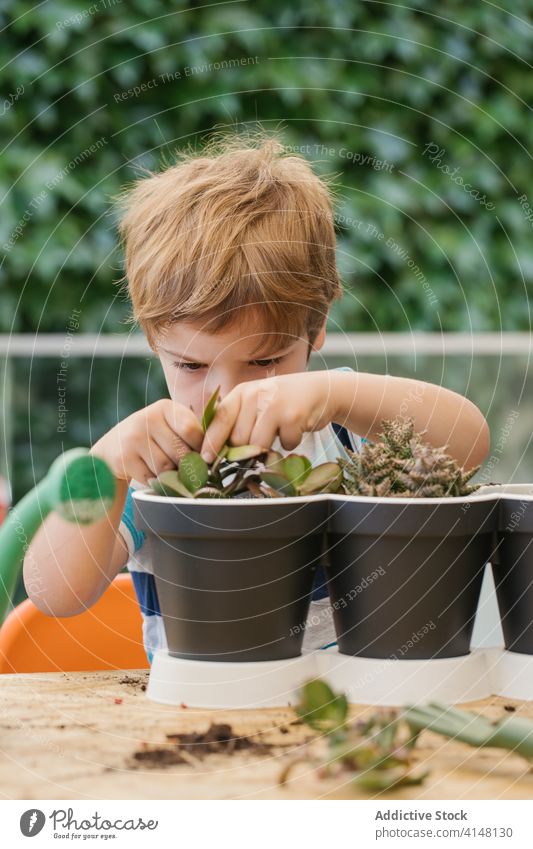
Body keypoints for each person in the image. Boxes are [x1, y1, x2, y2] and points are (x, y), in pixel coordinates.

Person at [23, 133, 490, 662]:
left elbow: (468, 443)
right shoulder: (158, 463)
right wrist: (104, 468)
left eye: (265, 360)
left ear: (315, 332)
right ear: (156, 343)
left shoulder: (340, 427)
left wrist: (335, 392)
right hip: (197, 721)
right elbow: (53, 592)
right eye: (192, 365)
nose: (227, 393)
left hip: (347, 719)